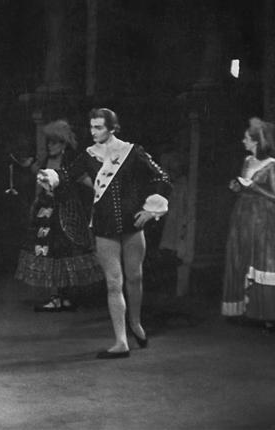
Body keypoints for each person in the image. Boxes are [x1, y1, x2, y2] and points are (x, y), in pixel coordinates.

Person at [37, 108, 171, 359]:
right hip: (104, 226)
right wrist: (51, 177)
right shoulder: (88, 155)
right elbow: (66, 176)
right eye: (91, 127)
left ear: (112, 128)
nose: (93, 132)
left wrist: (151, 210)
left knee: (135, 278)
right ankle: (121, 341)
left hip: (132, 224)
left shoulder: (131, 151)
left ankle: (135, 323)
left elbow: (161, 177)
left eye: (98, 127)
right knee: (113, 283)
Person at [15, 120, 103, 312]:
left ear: (63, 144)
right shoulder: (45, 162)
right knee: (49, 253)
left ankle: (65, 297)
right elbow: (39, 181)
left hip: (66, 214)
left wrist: (102, 188)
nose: (50, 145)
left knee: (65, 253)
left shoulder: (70, 164)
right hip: (46, 213)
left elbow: (86, 181)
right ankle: (56, 297)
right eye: (49, 142)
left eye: (54, 142)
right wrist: (35, 202)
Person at [221, 117, 275, 332]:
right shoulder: (248, 161)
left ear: (257, 141)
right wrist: (238, 187)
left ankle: (270, 315)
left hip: (263, 220)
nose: (243, 141)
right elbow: (245, 187)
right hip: (243, 217)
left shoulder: (272, 166)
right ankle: (246, 311)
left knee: (262, 261)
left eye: (247, 138)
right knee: (241, 259)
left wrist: (253, 187)